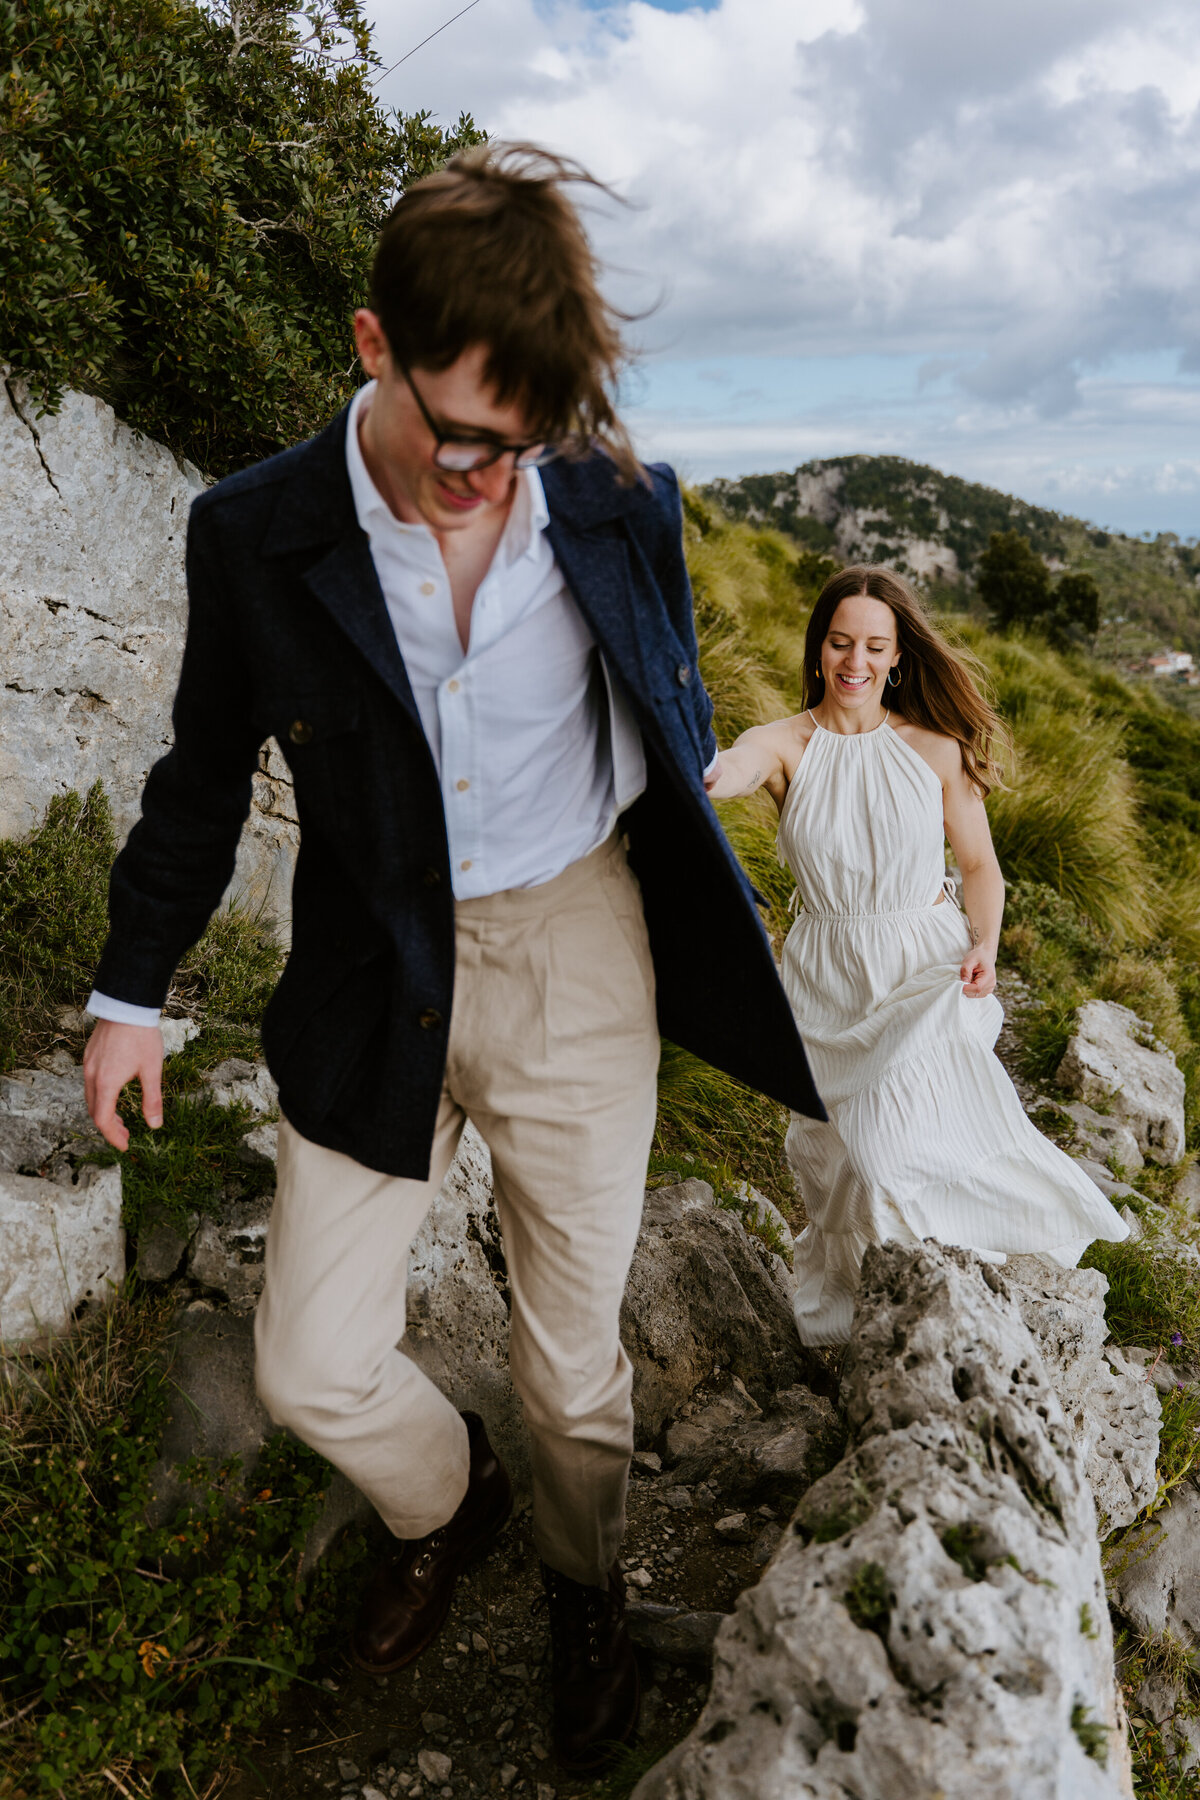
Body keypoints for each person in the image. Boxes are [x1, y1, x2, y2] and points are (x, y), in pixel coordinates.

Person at [80, 143, 823, 1769]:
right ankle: (450, 1503)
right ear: (371, 348)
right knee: (308, 1366)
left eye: (527, 442)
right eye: (466, 436)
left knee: (574, 1377)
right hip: (372, 953)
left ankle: (579, 1583)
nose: (497, 477)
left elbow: (671, 715)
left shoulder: (617, 502)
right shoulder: (250, 533)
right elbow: (204, 776)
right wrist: (131, 993)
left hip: (576, 947)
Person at [705, 563, 1128, 1346]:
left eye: (873, 645)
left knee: (894, 1149)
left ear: (898, 656)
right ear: (820, 647)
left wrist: (987, 944)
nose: (854, 662)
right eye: (839, 643)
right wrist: (699, 757)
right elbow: (728, 769)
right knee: (836, 1168)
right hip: (825, 975)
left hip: (921, 967)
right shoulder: (784, 744)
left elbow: (979, 868)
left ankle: (942, 1311)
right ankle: (847, 1322)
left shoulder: (935, 749)